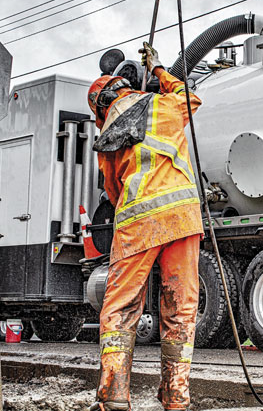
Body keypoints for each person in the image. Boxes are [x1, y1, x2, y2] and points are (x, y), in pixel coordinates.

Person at [87, 43, 203, 411]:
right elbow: (191, 100)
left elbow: (112, 191)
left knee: (120, 308)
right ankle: (175, 397)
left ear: (101, 109)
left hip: (138, 222)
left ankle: (115, 396)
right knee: (180, 309)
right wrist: (159, 71)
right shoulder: (164, 107)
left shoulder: (107, 139)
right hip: (183, 219)